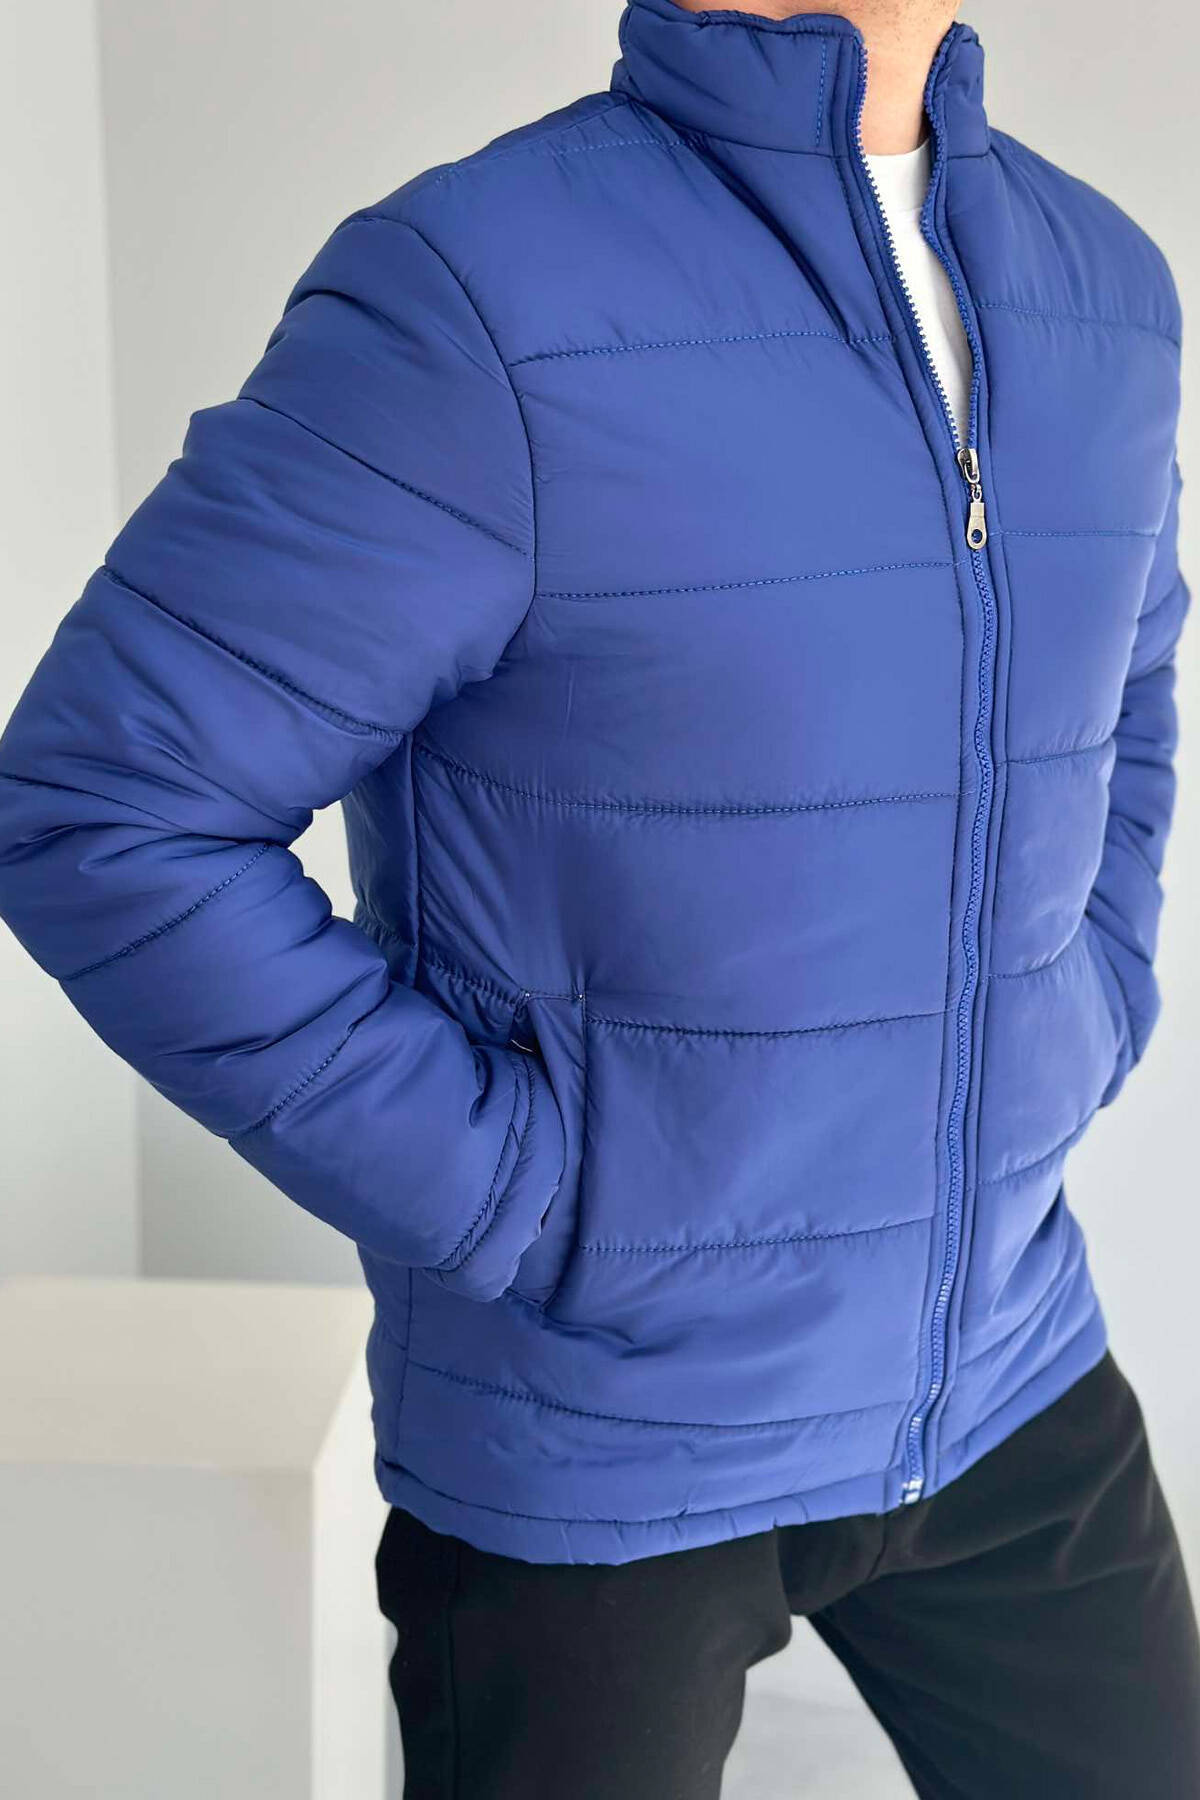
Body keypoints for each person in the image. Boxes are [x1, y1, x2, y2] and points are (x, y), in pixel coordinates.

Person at [0, 0, 1196, 1792]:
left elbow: (1131, 689)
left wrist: (1092, 1005)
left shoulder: (1106, 295)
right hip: (600, 1445)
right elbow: (107, 807)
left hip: (1005, 1364)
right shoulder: (480, 299)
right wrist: (532, 1201)